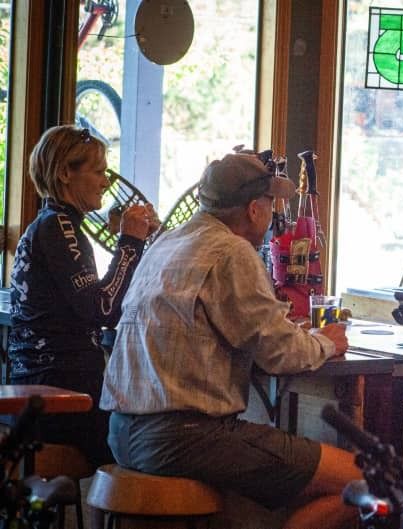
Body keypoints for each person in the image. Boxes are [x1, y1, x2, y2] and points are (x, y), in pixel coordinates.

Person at [100, 153, 361, 529]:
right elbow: (280, 351)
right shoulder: (232, 251)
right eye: (271, 203)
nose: (274, 213)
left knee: (262, 500)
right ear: (255, 209)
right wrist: (327, 342)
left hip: (123, 433)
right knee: (366, 479)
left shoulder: (166, 244)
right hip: (184, 438)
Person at [8, 125, 158, 466]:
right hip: (58, 394)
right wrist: (130, 243)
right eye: (99, 171)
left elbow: (102, 304)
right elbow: (102, 308)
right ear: (65, 174)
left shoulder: (54, 224)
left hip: (42, 389)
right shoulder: (59, 227)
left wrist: (133, 246)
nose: (107, 182)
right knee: (151, 451)